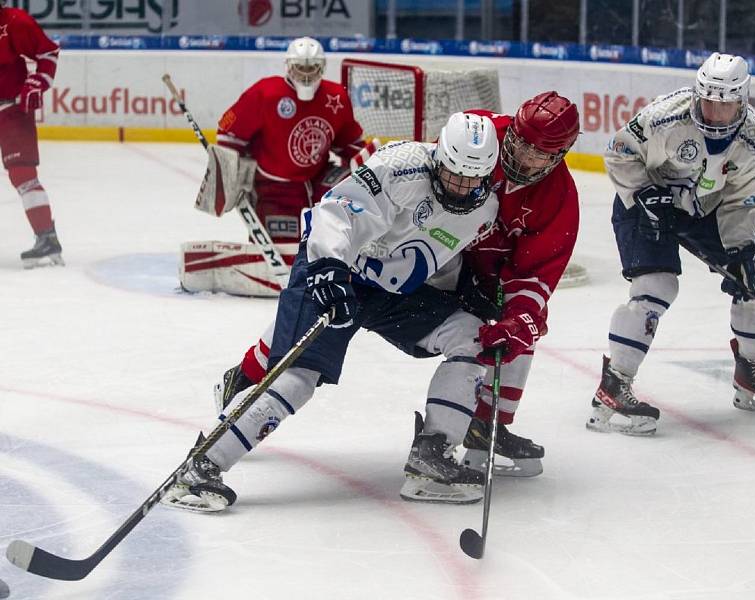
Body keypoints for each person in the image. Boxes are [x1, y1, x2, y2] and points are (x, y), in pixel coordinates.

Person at [164, 112, 502, 511]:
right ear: (439, 155)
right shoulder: (401, 166)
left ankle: (433, 457)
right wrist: (328, 269)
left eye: (472, 179)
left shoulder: (485, 209)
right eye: (454, 174)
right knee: (298, 379)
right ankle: (201, 468)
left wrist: (471, 292)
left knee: (473, 336)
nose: (462, 187)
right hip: (335, 267)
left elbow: (433, 256)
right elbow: (335, 211)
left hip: (391, 292)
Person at [588, 52, 755, 436]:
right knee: (657, 286)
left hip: (705, 210)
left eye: (725, 103)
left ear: (742, 101)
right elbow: (620, 153)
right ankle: (614, 384)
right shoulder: (665, 115)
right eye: (710, 101)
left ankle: (750, 370)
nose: (715, 111)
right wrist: (647, 193)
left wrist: (739, 251)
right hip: (644, 203)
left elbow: (743, 202)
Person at [458, 92, 580, 477]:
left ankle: (487, 425)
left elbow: (535, 275)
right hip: (435, 259)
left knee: (522, 330)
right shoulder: (477, 134)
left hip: (488, 277)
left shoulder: (559, 197)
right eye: (521, 143)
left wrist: (516, 319)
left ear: (559, 156)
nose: (524, 157)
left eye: (538, 153)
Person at [211, 36, 373, 270]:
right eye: (300, 68)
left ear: (322, 68)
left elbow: (349, 143)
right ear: (288, 66)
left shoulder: (335, 96)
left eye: (312, 68)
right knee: (284, 247)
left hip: (317, 180)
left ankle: (349, 250)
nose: (306, 75)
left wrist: (366, 166)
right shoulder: (266, 93)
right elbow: (228, 133)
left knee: (350, 189)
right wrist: (231, 173)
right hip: (273, 187)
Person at [0, 1, 63, 268]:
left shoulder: (15, 22)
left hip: (13, 109)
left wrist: (39, 81)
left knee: (23, 175)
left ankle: (46, 237)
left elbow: (48, 52)